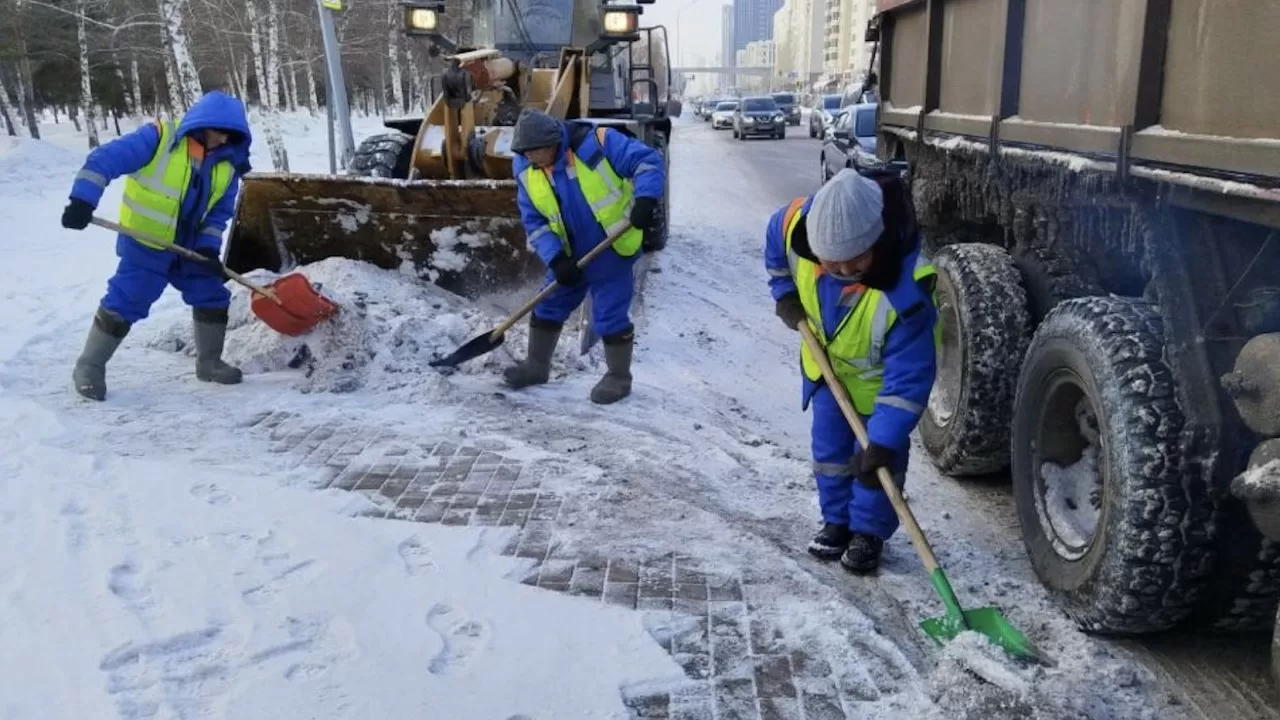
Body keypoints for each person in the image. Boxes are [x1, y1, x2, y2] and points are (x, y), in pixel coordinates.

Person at [764, 168, 938, 574]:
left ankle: (868, 533)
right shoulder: (796, 227)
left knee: (876, 466)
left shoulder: (907, 294)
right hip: (828, 374)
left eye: (854, 259)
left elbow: (908, 377)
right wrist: (784, 293)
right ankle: (837, 522)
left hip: (881, 391)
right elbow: (775, 246)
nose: (841, 269)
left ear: (876, 241)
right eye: (831, 262)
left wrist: (886, 437)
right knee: (829, 454)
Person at [60, 90, 253, 402]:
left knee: (212, 295)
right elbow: (104, 160)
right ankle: (89, 367)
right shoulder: (159, 139)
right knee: (127, 300)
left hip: (190, 248)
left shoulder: (229, 164)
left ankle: (209, 363)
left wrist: (207, 248)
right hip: (146, 242)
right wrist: (82, 199)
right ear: (202, 125)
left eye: (230, 136)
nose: (222, 141)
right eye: (219, 133)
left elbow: (219, 214)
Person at [504, 108, 666, 404]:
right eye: (525, 154)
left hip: (611, 247)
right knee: (547, 305)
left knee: (609, 316)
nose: (531, 160)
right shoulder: (526, 170)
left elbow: (647, 160)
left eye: (535, 153)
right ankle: (536, 366)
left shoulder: (597, 143)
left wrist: (645, 198)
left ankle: (619, 377)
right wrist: (555, 259)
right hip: (568, 256)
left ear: (553, 143)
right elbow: (535, 223)